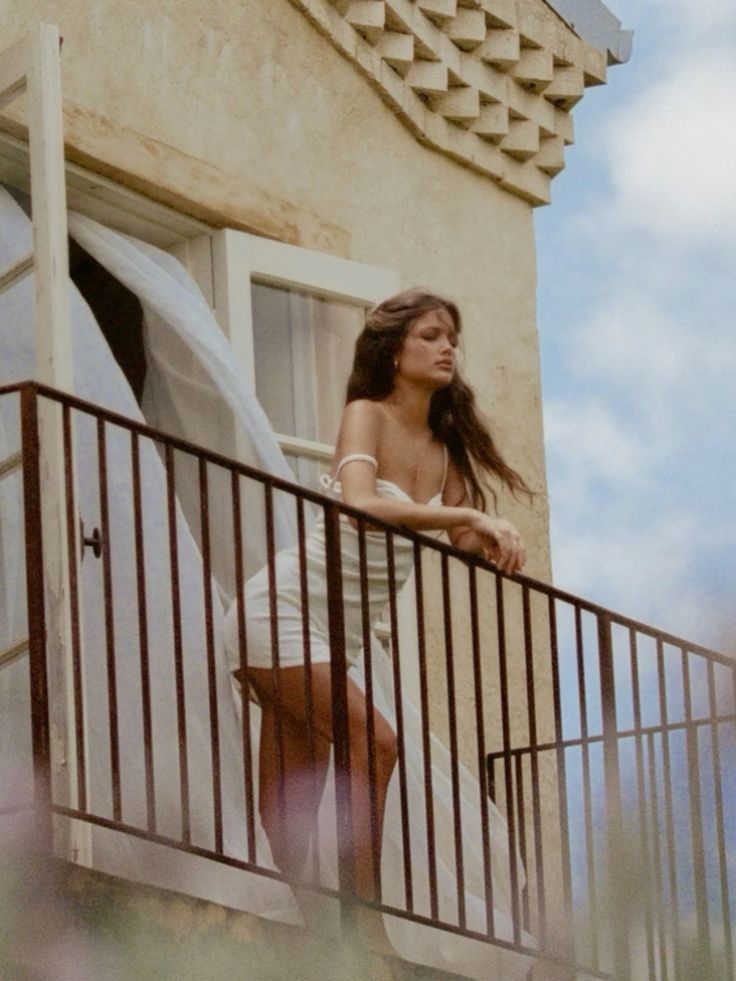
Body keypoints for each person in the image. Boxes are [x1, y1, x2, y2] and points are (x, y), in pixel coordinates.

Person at [224, 288, 531, 953]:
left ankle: (302, 928)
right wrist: (465, 516)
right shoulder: (366, 415)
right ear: (394, 350)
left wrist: (496, 540)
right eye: (431, 334)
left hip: (341, 634)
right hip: (281, 607)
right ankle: (364, 921)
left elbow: (461, 542)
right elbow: (361, 503)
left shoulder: (442, 447)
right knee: (378, 742)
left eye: (452, 336)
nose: (448, 346)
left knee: (295, 783)